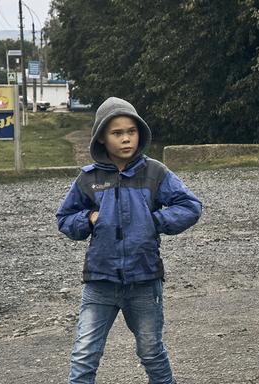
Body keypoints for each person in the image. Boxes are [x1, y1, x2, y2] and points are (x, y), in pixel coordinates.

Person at [56, 97, 202, 384]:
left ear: (140, 133)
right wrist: (88, 219)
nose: (126, 139)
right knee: (84, 354)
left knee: (150, 351)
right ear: (101, 137)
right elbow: (64, 218)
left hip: (144, 280)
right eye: (117, 133)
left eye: (131, 132)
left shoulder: (155, 173)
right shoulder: (89, 179)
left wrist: (154, 221)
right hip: (100, 281)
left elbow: (190, 206)